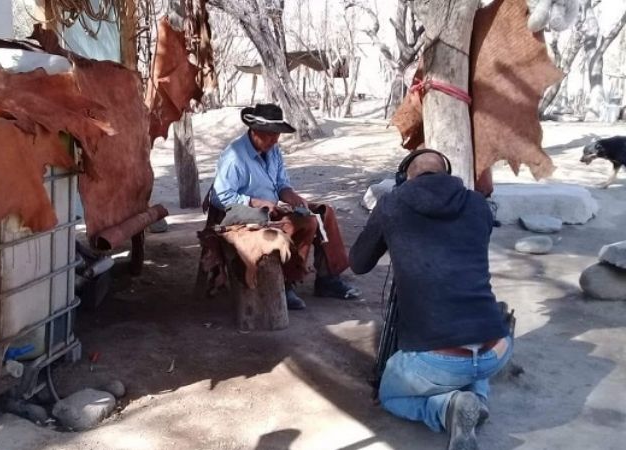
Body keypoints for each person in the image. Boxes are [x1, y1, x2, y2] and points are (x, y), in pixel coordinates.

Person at [349, 149, 513, 450]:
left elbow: (358, 263)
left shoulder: (392, 203)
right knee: (468, 358)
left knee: (391, 396)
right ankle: (476, 397)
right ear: (447, 175)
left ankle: (445, 408)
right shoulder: (478, 204)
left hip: (437, 359)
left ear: (404, 178)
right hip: (496, 349)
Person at [207, 103, 360, 310]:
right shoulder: (234, 156)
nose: (275, 139)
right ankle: (287, 283)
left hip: (271, 208)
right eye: (270, 134)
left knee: (324, 212)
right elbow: (219, 196)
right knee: (304, 223)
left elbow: (281, 185)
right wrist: (254, 202)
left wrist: (293, 197)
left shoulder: (273, 151)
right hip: (245, 213)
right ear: (254, 131)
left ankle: (328, 279)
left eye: (277, 134)